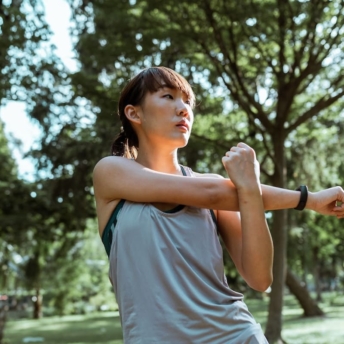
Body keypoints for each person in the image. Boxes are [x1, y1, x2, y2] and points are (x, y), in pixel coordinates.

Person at [93, 66, 344, 343]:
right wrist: (308, 199)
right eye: (168, 96)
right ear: (134, 113)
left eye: (187, 101)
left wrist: (249, 189)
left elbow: (261, 279)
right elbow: (213, 194)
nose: (184, 109)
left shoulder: (220, 188)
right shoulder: (110, 173)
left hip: (236, 335)